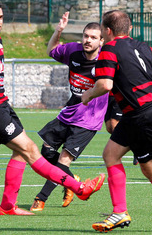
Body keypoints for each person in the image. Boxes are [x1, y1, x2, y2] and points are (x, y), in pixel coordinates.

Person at [0, 0, 105, 216]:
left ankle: (7, 206)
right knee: (31, 151)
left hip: (1, 105)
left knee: (20, 154)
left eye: (1, 17)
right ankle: (79, 188)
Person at [81, 10, 152, 232]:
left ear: (107, 31)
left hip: (141, 115)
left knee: (151, 169)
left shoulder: (109, 49)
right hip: (140, 113)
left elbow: (105, 85)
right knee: (111, 155)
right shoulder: (144, 47)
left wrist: (88, 95)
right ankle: (120, 212)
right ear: (128, 29)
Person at [30, 12, 110, 211]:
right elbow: (51, 50)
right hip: (70, 110)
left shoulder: (106, 60)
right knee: (47, 150)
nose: (87, 40)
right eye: (85, 36)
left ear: (101, 41)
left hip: (89, 120)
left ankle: (41, 198)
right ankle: (70, 179)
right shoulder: (73, 51)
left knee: (63, 159)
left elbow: (108, 85)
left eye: (93, 37)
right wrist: (59, 30)